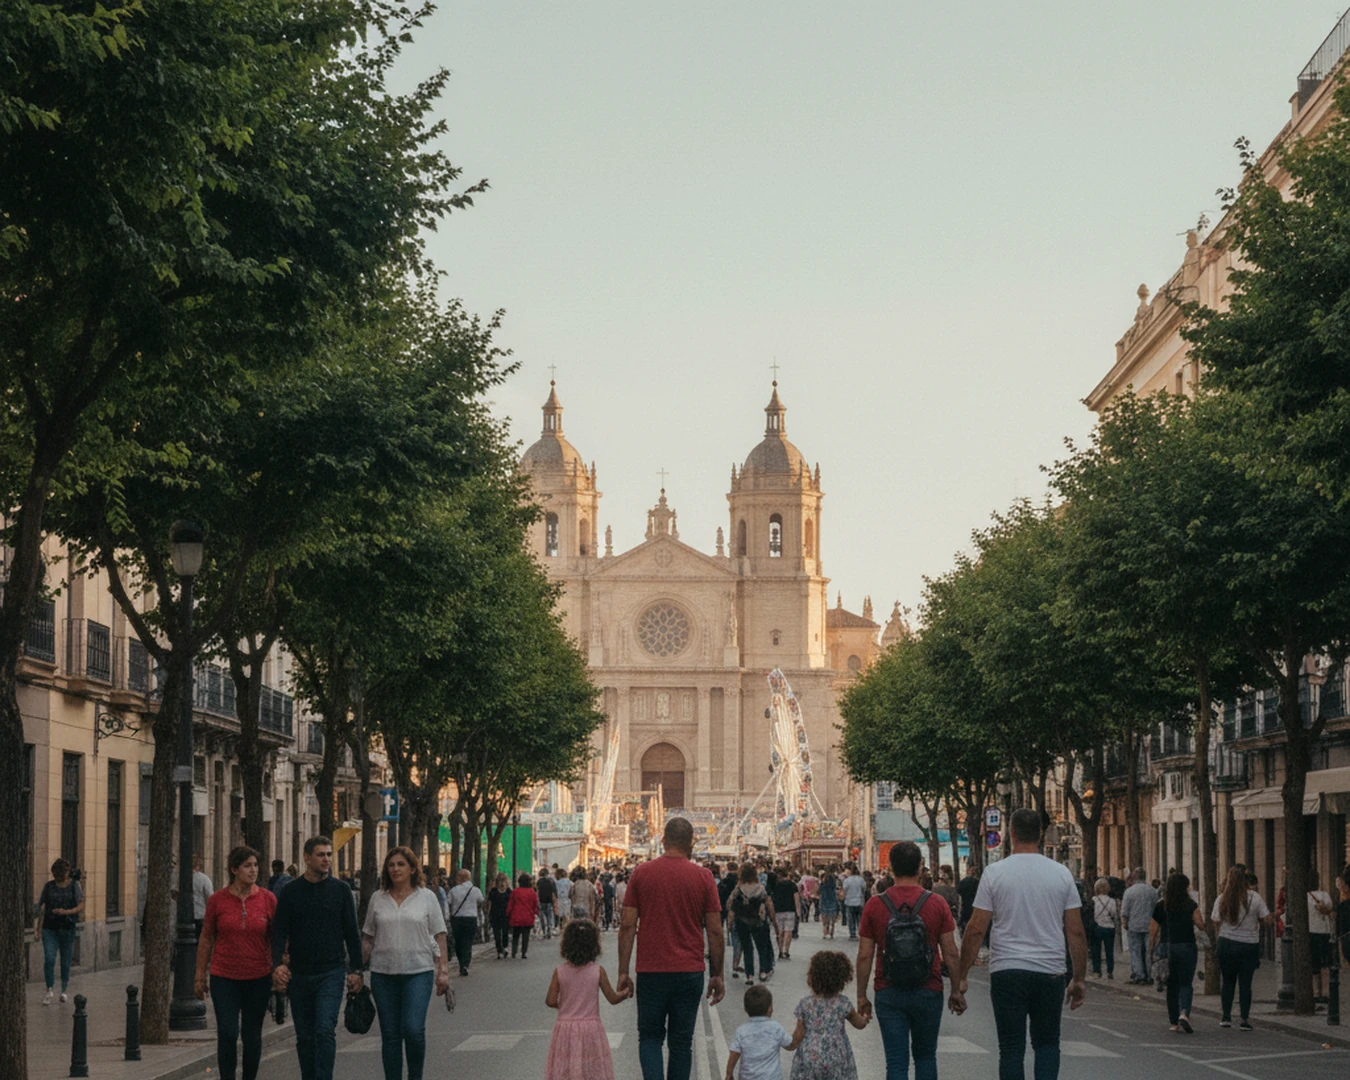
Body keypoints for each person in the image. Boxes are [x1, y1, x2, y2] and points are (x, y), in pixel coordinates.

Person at [955, 809, 1087, 1080]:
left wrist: (962, 975)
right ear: (1040, 833)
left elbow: (976, 928)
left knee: (1011, 1048)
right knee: (1047, 1044)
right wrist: (1079, 978)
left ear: (1011, 834)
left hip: (1007, 970)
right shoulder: (1061, 874)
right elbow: (1075, 931)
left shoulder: (994, 873)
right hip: (1050, 970)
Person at [618, 816, 726, 1080]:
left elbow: (628, 925)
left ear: (663, 841)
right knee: (681, 1043)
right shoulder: (704, 877)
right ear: (691, 843)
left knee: (650, 1038)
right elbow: (714, 930)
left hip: (651, 971)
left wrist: (623, 971)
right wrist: (717, 974)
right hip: (689, 972)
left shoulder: (641, 873)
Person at [857, 841, 960, 1080]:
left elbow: (864, 955)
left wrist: (861, 995)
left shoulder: (875, 905)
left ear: (891, 868)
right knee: (926, 1057)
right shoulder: (937, 903)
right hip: (929, 988)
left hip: (888, 989)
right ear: (920, 868)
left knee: (896, 1061)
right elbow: (951, 953)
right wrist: (956, 990)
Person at [271, 836, 364, 1080]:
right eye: (321, 855)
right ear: (307, 858)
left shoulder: (341, 890)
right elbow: (279, 931)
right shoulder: (290, 891)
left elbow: (352, 932)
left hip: (331, 972)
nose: (326, 859)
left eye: (329, 855)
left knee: (324, 1030)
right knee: (305, 1036)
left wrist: (356, 970)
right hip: (300, 974)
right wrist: (277, 965)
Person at [361, 846, 449, 1080]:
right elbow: (368, 937)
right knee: (390, 1035)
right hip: (383, 974)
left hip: (418, 972)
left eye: (401, 864)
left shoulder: (427, 897)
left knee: (413, 1029)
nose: (395, 869)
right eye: (391, 865)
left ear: (412, 869)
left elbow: (440, 935)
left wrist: (443, 971)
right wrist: (357, 970)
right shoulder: (378, 898)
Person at [195, 845, 277, 1080]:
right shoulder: (217, 900)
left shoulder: (268, 899)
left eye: (255, 865)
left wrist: (279, 967)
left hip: (258, 976)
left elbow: (277, 937)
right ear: (234, 870)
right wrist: (199, 975)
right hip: (224, 977)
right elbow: (206, 937)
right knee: (228, 1032)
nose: (253, 870)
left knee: (252, 1036)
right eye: (247, 866)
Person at [545, 915, 630, 1079]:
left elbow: (550, 1000)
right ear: (594, 945)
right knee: (591, 1070)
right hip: (591, 1029)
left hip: (565, 1028)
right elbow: (612, 998)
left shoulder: (559, 971)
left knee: (566, 1069)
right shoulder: (598, 971)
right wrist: (625, 993)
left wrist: (564, 1005)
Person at [790, 950, 867, 1080]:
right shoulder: (843, 1003)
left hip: (810, 1055)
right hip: (837, 1056)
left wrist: (786, 1043)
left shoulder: (806, 1004)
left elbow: (798, 1035)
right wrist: (865, 1018)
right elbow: (859, 1024)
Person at [1213, 865, 1272, 1031]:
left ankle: (1226, 1017)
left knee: (1228, 982)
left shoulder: (1222, 898)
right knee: (1246, 983)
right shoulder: (1255, 897)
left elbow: (1215, 920)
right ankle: (1244, 1019)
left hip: (1226, 943)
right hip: (1248, 945)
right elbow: (1266, 919)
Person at [1148, 871, 1203, 1034]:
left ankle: (1173, 1021)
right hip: (1187, 945)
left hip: (1167, 947)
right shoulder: (1190, 904)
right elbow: (1200, 924)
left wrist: (1151, 948)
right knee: (1186, 982)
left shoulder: (1161, 905)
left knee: (1171, 984)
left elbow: (1153, 930)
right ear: (1185, 887)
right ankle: (1184, 1012)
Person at [35, 857, 84, 1005]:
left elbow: (81, 905)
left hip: (67, 928)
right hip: (49, 928)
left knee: (65, 960)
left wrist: (66, 912)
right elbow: (43, 908)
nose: (59, 877)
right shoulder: (49, 887)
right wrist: (38, 929)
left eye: (62, 874)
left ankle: (63, 989)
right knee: (49, 958)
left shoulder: (74, 885)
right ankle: (49, 989)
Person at [725, 984, 796, 1080]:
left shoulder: (741, 1031)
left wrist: (729, 1073)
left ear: (745, 1009)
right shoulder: (776, 1028)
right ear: (770, 1009)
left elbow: (734, 1053)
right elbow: (790, 1045)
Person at [729, 862, 776, 986]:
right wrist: (773, 921)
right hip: (758, 921)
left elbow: (730, 903)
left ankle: (749, 975)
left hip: (741, 921)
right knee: (761, 947)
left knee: (747, 948)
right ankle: (763, 972)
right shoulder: (760, 888)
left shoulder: (739, 888)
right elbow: (769, 904)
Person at [445, 868, 484, 976]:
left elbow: (448, 903)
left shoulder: (453, 890)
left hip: (457, 919)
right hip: (471, 918)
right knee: (468, 942)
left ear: (460, 878)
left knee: (458, 942)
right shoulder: (475, 890)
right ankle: (465, 963)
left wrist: (447, 917)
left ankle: (461, 962)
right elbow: (481, 901)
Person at [1120, 867, 1156, 985]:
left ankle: (1139, 974)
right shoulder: (1152, 891)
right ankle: (1149, 974)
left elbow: (1125, 910)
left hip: (1134, 925)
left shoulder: (1129, 892)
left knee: (1135, 951)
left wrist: (1125, 922)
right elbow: (1156, 908)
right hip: (1149, 925)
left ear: (1134, 877)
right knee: (1149, 951)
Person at [1307, 869, 1335, 1003]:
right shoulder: (1325, 895)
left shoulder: (1304, 897)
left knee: (1314, 964)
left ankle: (1315, 992)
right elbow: (1330, 908)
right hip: (1324, 932)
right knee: (1325, 963)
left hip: (1310, 932)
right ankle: (1326, 991)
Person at [1089, 878, 1119, 980]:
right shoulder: (1112, 901)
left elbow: (1092, 914)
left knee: (1096, 950)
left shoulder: (1094, 900)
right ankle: (1110, 971)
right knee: (1109, 951)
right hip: (1109, 927)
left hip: (1097, 927)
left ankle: (1097, 971)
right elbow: (1114, 914)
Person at [508, 872, 540, 958]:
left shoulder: (515, 892)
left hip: (516, 916)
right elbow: (535, 905)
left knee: (515, 935)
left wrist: (508, 914)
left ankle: (514, 951)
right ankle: (524, 952)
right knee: (526, 935)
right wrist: (536, 913)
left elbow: (511, 904)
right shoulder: (532, 892)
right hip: (528, 917)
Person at [772, 868, 801, 961]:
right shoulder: (792, 885)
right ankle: (786, 951)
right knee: (788, 931)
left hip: (778, 911)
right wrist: (798, 912)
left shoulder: (775, 885)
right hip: (790, 910)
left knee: (780, 932)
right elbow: (796, 898)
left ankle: (780, 951)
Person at [487, 872, 512, 959]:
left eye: (503, 881)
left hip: (506, 915)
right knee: (497, 934)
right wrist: (488, 913)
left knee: (505, 932)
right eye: (500, 881)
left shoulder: (509, 892)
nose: (502, 883)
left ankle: (505, 947)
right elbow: (489, 903)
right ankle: (499, 950)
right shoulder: (493, 891)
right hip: (495, 915)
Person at [840, 866, 866, 941]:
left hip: (849, 902)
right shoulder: (861, 880)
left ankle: (852, 934)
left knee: (851, 919)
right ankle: (861, 932)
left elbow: (844, 890)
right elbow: (864, 889)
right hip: (859, 901)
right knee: (860, 919)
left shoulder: (847, 880)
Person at [192, 853, 214, 938]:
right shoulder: (204, 879)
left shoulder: (181, 878)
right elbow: (210, 898)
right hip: (200, 915)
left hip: (183, 917)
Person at [817, 866, 840, 940]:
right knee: (832, 921)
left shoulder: (822, 886)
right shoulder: (833, 886)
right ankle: (831, 933)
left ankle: (825, 933)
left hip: (823, 903)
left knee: (824, 921)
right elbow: (836, 895)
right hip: (832, 903)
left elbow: (818, 893)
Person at [956, 867, 980, 936]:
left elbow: (959, 896)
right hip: (975, 907)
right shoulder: (978, 882)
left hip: (965, 906)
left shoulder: (962, 882)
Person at [537, 867, 559, 940]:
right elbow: (555, 891)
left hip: (541, 900)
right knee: (549, 916)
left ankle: (544, 931)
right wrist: (555, 899)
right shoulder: (551, 881)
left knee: (542, 917)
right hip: (549, 900)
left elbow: (537, 891)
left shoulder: (539, 881)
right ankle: (549, 931)